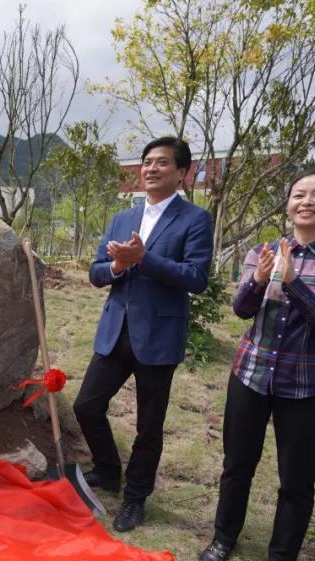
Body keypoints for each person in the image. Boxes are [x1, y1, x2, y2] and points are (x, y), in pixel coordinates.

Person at [198, 169, 315, 561]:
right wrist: (258, 279)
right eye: (298, 195)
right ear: (289, 204)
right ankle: (223, 539)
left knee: (296, 478)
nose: (306, 202)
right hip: (251, 374)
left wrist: (293, 283)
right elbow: (241, 309)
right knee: (237, 465)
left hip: (307, 385)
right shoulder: (263, 251)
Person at [73, 136, 213, 532]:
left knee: (148, 427)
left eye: (162, 162)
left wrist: (145, 259)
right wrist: (117, 267)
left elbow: (197, 277)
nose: (151, 168)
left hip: (158, 335)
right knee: (86, 406)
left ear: (182, 172)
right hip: (116, 330)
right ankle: (108, 470)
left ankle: (135, 498)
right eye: (147, 162)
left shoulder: (194, 219)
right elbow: (96, 272)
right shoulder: (124, 217)